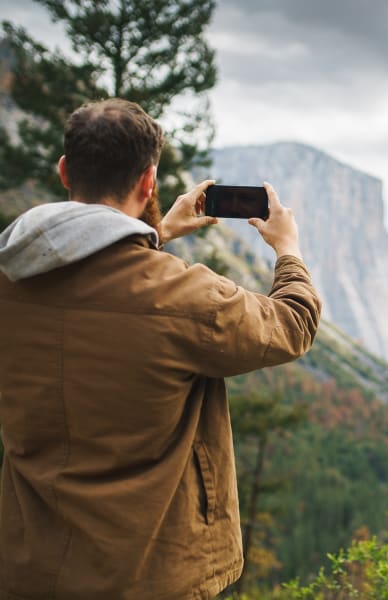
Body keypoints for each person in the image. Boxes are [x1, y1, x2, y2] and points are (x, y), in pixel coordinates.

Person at [0, 98, 322, 599]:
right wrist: (288, 249)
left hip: (29, 566)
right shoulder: (182, 295)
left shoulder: (9, 280)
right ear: (148, 183)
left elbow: (99, 293)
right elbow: (293, 324)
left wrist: (160, 233)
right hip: (148, 574)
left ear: (65, 171)